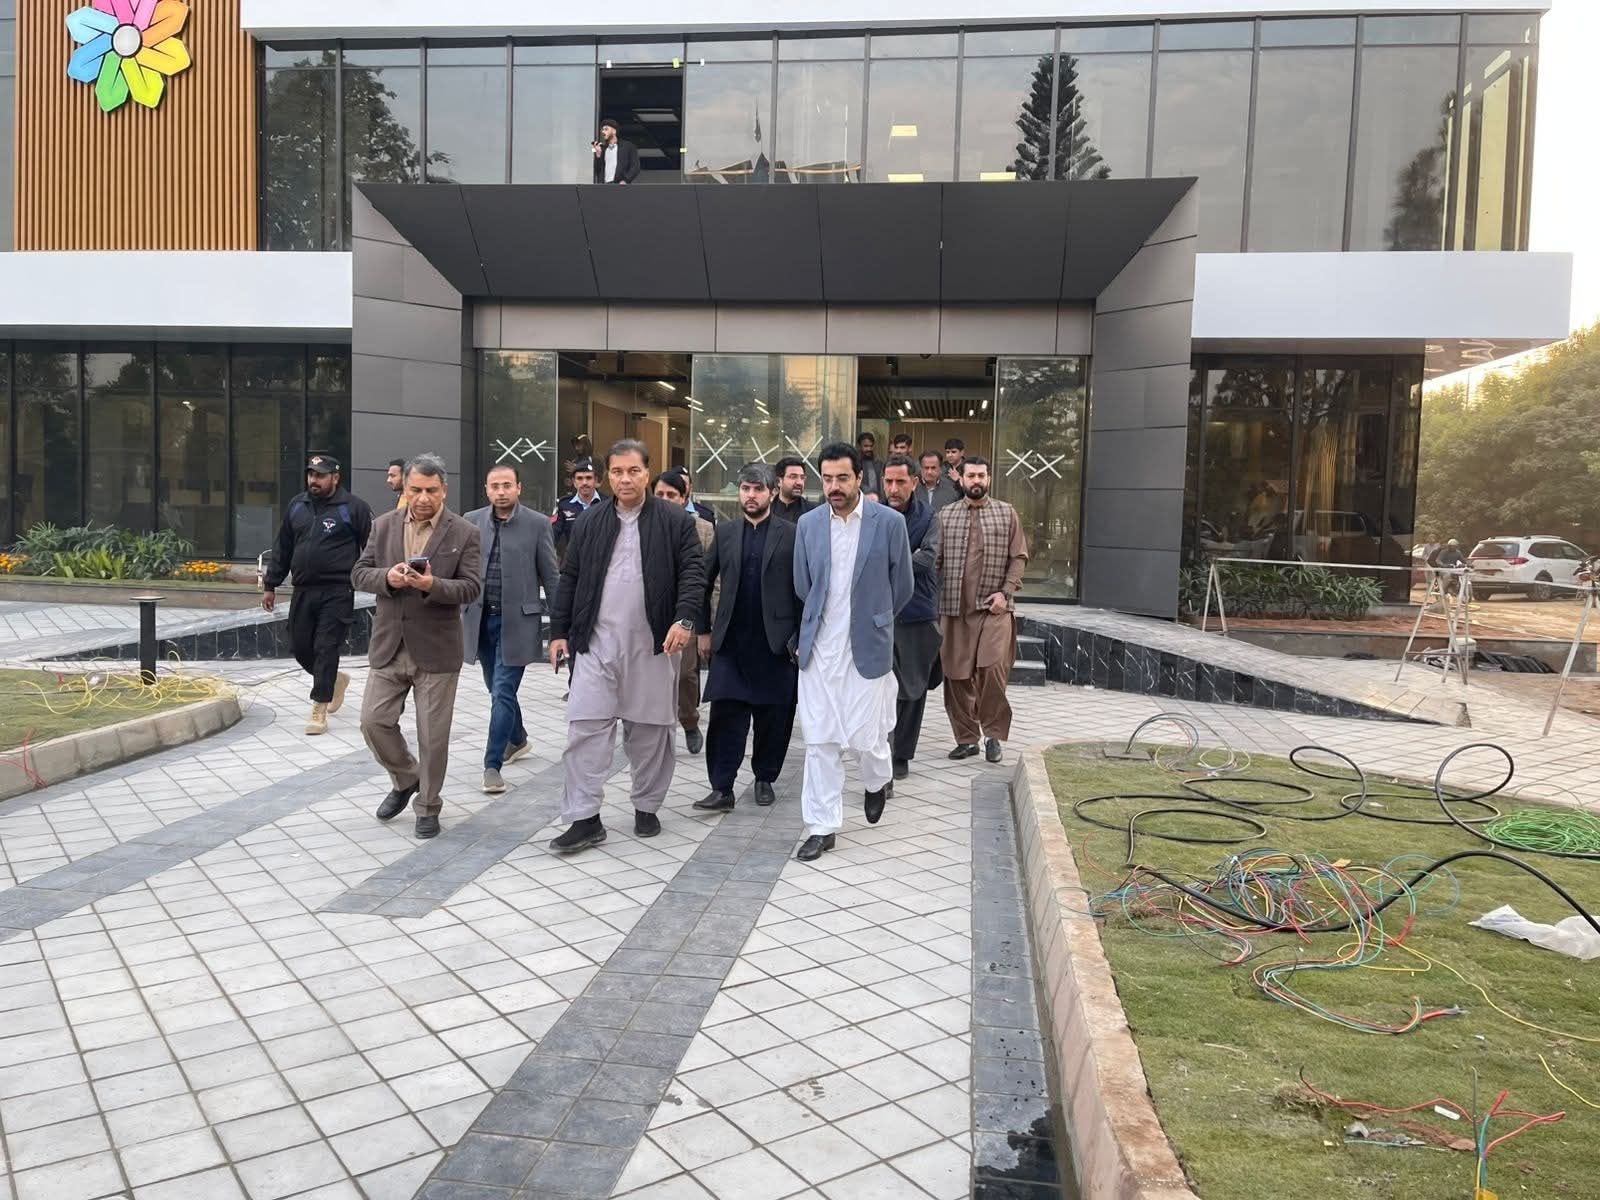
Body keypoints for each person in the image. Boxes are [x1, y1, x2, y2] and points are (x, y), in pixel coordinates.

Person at [547, 439, 704, 854]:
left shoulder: (675, 521)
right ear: (608, 477)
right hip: (596, 643)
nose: (625, 479)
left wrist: (685, 620)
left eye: (633, 471)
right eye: (617, 472)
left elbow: (693, 574)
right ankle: (584, 818)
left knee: (650, 731)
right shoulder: (590, 521)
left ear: (647, 472)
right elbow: (570, 577)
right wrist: (559, 632)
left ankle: (647, 805)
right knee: (584, 728)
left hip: (654, 644)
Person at [792, 443, 913, 862]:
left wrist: (877, 620)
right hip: (819, 650)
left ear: (860, 477)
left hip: (867, 647)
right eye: (827, 479)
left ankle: (877, 780)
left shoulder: (890, 523)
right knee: (820, 740)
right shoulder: (808, 525)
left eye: (842, 478)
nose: (834, 487)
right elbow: (803, 585)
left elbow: (903, 587)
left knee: (867, 737)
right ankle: (821, 826)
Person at [352, 454, 483, 839]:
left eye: (431, 490)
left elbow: (472, 588)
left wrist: (432, 585)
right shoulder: (383, 525)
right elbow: (359, 573)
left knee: (433, 737)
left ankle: (428, 806)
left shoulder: (465, 532)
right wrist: (387, 578)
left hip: (437, 649)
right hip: (389, 645)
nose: (423, 498)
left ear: (444, 490)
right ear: (405, 488)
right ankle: (406, 777)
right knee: (373, 721)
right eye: (416, 490)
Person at [693, 464, 800, 812]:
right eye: (745, 489)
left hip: (776, 645)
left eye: (758, 489)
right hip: (731, 644)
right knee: (725, 718)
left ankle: (764, 778)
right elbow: (702, 583)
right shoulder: (725, 532)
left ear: (772, 492)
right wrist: (703, 631)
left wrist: (799, 637)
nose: (750, 496)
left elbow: (805, 589)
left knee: (774, 719)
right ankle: (721, 788)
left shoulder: (792, 534)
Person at [462, 464, 559, 794]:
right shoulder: (471, 521)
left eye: (507, 485)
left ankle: (492, 765)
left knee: (503, 690)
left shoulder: (537, 524)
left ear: (519, 488)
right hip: (480, 620)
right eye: (495, 486)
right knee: (496, 687)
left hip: (517, 622)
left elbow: (551, 577)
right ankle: (517, 738)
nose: (501, 491)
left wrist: (560, 627)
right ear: (486, 490)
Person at [262, 454, 374, 736]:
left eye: (321, 475)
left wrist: (377, 580)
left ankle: (319, 707)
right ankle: (333, 680)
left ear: (335, 477)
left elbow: (372, 547)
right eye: (311, 474)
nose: (314, 480)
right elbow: (283, 547)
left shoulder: (354, 508)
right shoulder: (297, 505)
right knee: (299, 647)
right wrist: (270, 584)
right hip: (303, 590)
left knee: (326, 647)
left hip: (337, 591)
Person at [936, 456, 1029, 765]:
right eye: (971, 476)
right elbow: (935, 561)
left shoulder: (1006, 512)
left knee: (991, 671)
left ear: (988, 479)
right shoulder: (946, 515)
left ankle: (993, 735)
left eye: (981, 476)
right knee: (956, 676)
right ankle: (966, 739)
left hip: (994, 609)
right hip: (954, 609)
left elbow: (1019, 557)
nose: (976, 480)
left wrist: (1006, 592)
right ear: (961, 479)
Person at [881, 455, 942, 780]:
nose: (893, 488)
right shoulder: (873, 515)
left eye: (900, 482)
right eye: (888, 481)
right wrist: (907, 555)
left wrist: (888, 560)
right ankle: (883, 753)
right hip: (880, 614)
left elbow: (928, 558)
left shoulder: (929, 517)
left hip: (918, 613)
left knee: (914, 689)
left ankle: (902, 754)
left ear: (915, 482)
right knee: (882, 688)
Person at [653, 469, 717, 754]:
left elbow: (712, 579)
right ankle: (655, 727)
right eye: (660, 494)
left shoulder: (703, 528)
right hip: (650, 614)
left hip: (688, 612)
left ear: (684, 497)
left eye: (672, 495)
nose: (665, 500)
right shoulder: (641, 526)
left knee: (686, 674)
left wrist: (709, 624)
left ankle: (689, 721)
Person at [552, 457, 601, 557]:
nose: (584, 483)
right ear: (574, 482)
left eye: (588, 478)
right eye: (580, 478)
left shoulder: (607, 504)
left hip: (601, 562)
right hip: (573, 562)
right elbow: (552, 537)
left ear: (595, 481)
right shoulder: (564, 505)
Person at [592, 118, 641, 185]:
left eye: (606, 129)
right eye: (602, 130)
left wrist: (625, 180)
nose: (603, 132)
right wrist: (598, 156)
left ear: (614, 131)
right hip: (605, 186)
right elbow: (598, 171)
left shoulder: (627, 146)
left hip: (620, 186)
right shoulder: (603, 149)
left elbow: (635, 167)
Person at [773, 456, 814, 523]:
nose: (799, 482)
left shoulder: (813, 512)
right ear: (779, 481)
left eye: (802, 477)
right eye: (793, 477)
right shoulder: (765, 510)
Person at [857, 431, 885, 502]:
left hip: (880, 501)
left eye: (871, 446)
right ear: (859, 446)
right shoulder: (855, 463)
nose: (869, 449)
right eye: (866, 446)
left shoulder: (879, 463)